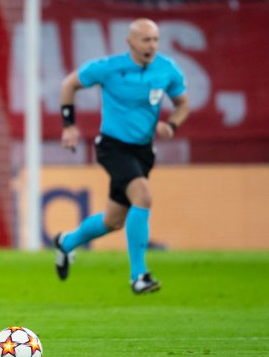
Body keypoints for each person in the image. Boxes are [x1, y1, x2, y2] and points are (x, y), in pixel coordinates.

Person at [53, 18, 189, 294]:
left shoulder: (167, 69)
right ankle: (139, 276)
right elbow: (69, 85)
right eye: (145, 40)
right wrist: (69, 125)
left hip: (143, 151)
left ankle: (65, 243)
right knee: (143, 195)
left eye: (155, 39)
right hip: (112, 146)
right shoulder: (109, 68)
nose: (151, 45)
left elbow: (182, 104)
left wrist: (172, 124)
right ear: (130, 43)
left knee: (113, 220)